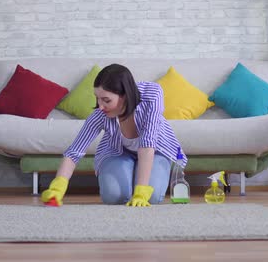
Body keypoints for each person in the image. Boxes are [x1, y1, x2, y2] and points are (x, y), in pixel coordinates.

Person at [40, 64, 187, 207]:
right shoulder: (100, 115)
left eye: (106, 100)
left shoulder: (151, 96)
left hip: (155, 151)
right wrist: (57, 187)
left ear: (125, 95)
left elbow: (148, 144)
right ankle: (131, 175)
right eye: (97, 98)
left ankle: (140, 179)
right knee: (114, 196)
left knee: (152, 197)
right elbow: (74, 152)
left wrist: (141, 192)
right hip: (119, 153)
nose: (100, 106)